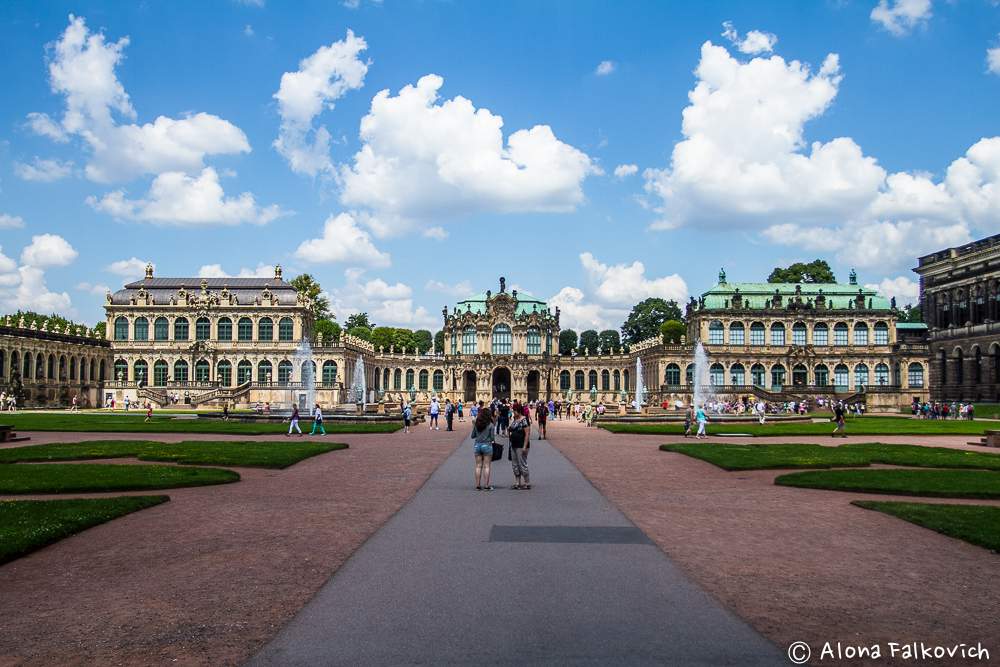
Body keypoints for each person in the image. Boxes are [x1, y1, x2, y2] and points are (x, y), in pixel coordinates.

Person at [471, 408, 495, 491]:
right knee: (486, 466)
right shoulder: (491, 425)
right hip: (487, 445)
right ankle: (486, 485)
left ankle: (478, 485)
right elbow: (492, 438)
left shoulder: (477, 424)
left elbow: (472, 436)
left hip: (477, 446)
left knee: (478, 466)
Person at [508, 407, 531, 490]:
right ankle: (517, 482)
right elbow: (510, 429)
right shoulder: (514, 420)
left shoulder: (524, 420)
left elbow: (527, 434)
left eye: (514, 411)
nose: (513, 412)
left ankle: (527, 482)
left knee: (522, 463)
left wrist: (525, 446)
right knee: (514, 464)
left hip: (521, 445)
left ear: (519, 411)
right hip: (513, 445)